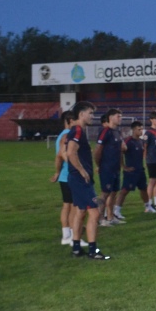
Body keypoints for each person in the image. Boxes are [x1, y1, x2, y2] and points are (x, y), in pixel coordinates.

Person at [65, 101, 109, 259]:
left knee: (80, 211)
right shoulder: (77, 130)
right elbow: (70, 152)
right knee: (95, 213)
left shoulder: (77, 130)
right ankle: (93, 251)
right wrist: (82, 170)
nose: (93, 116)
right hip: (80, 179)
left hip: (76, 179)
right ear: (81, 114)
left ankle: (76, 248)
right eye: (90, 113)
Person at [50, 111, 78, 244]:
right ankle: (73, 236)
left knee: (67, 205)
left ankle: (66, 235)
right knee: (73, 206)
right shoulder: (67, 135)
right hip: (69, 175)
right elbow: (61, 155)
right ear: (70, 120)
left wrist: (57, 172)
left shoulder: (62, 135)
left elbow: (58, 156)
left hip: (64, 175)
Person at [95, 109, 124, 225]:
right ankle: (100, 218)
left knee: (114, 192)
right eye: (118, 116)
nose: (120, 118)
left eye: (120, 116)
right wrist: (99, 165)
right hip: (107, 168)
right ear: (111, 118)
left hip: (116, 168)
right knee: (105, 193)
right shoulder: (105, 131)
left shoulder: (118, 132)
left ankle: (110, 217)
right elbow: (98, 150)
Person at [119, 120, 153, 214]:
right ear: (133, 130)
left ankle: (148, 207)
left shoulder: (141, 141)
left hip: (140, 170)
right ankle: (117, 210)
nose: (141, 131)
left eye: (142, 129)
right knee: (124, 191)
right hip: (131, 171)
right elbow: (120, 153)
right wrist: (124, 166)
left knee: (144, 189)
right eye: (139, 129)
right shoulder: (128, 141)